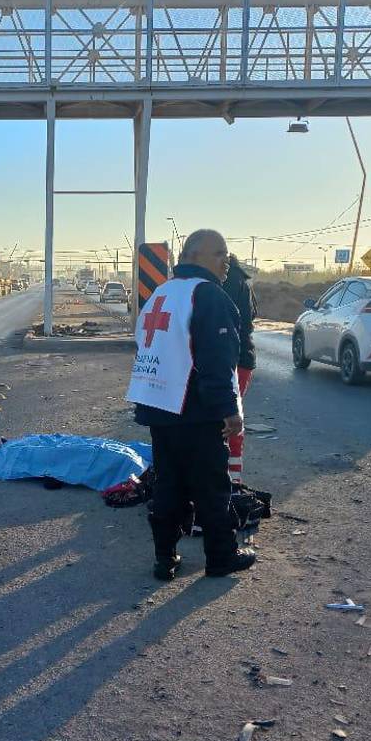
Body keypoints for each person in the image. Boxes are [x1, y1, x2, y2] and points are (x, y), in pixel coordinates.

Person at [126, 229, 254, 580]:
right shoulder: (209, 296)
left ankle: (164, 559)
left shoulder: (161, 294)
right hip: (196, 412)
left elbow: (145, 345)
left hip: (159, 408)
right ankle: (221, 558)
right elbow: (218, 361)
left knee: (169, 485)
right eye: (219, 254)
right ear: (194, 255)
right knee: (212, 488)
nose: (225, 261)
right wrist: (230, 411)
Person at [220, 252, 257, 482]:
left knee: (226, 420)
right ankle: (233, 479)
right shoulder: (242, 282)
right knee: (231, 417)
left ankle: (228, 481)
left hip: (228, 360)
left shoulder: (222, 283)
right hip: (243, 360)